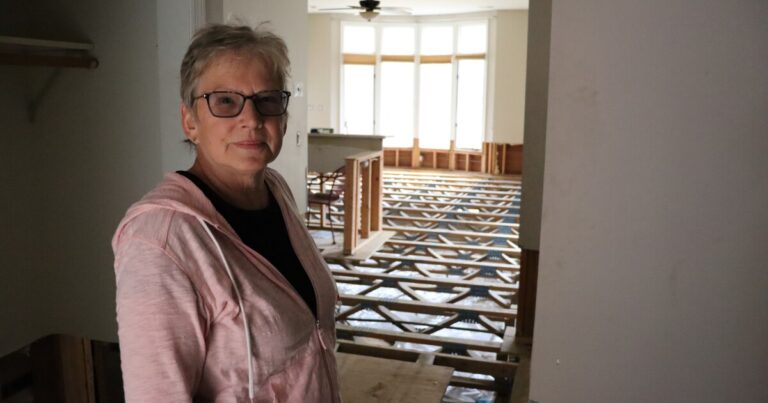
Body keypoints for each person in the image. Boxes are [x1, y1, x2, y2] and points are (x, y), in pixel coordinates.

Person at [112, 23, 341, 402]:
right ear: (190, 122)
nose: (251, 119)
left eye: (267, 100)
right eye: (224, 101)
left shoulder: (275, 189)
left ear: (282, 117)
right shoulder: (159, 239)